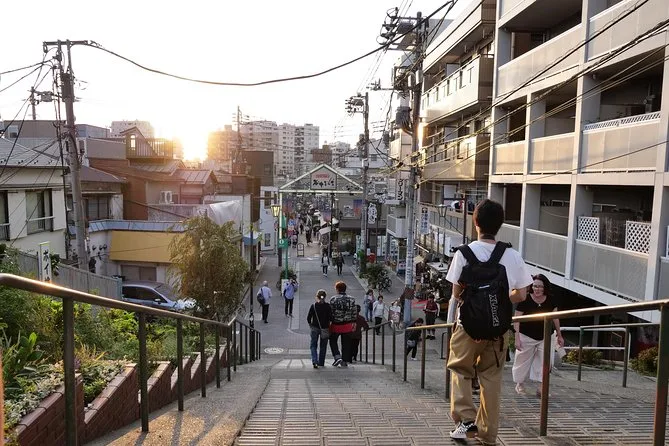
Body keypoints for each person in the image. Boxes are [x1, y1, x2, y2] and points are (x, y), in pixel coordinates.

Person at [445, 199, 532, 445]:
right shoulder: (512, 255)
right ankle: (488, 434)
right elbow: (522, 295)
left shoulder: (463, 253)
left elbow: (456, 293)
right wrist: (498, 299)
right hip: (497, 328)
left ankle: (466, 420)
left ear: (476, 223)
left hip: (467, 327)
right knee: (491, 379)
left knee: (460, 369)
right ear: (500, 225)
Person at [512, 274, 563, 397]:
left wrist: (559, 335)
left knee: (545, 362)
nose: (537, 289)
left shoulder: (551, 299)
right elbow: (516, 319)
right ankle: (520, 384)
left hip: (545, 335)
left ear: (545, 287)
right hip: (526, 335)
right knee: (522, 360)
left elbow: (555, 318)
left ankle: (541, 388)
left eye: (540, 286)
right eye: (535, 286)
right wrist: (517, 338)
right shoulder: (524, 299)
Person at [328, 281, 357, 367]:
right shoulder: (352, 299)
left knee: (333, 340)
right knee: (346, 343)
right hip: (347, 324)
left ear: (337, 289)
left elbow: (330, 312)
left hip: (336, 324)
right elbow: (354, 312)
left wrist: (329, 322)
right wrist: (354, 322)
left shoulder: (333, 299)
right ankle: (345, 360)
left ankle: (337, 356)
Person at [307, 289, 332, 368]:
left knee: (313, 345)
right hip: (325, 329)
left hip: (315, 328)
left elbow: (308, 318)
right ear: (325, 297)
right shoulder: (328, 306)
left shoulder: (314, 306)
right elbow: (331, 318)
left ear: (317, 297)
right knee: (323, 346)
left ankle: (314, 361)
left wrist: (310, 325)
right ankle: (321, 362)